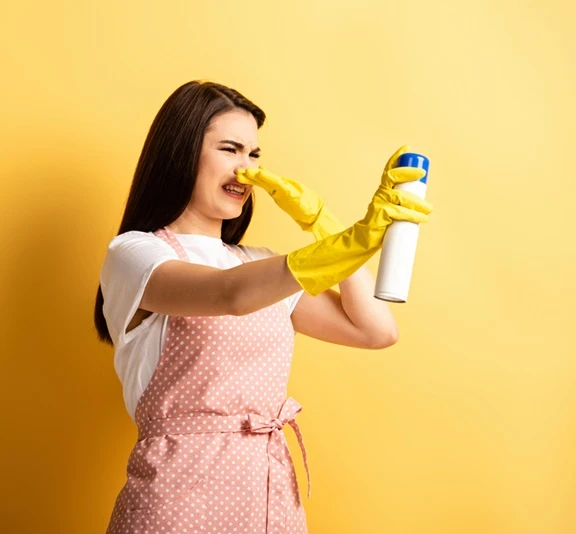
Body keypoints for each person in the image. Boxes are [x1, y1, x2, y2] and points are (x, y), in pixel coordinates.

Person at [94, 80, 432, 533]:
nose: (245, 170)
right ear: (181, 152)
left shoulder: (259, 264)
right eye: (230, 150)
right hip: (178, 500)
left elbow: (376, 330)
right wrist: (352, 241)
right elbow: (227, 295)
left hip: (270, 492)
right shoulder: (137, 255)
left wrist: (325, 226)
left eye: (254, 155)